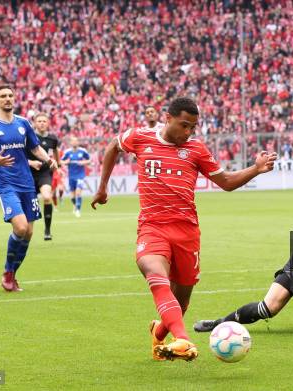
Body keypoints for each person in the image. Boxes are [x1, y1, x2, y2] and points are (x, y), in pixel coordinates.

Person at [91, 97, 277, 361]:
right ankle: (184, 340)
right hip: (152, 227)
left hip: (187, 232)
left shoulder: (196, 150)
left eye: (193, 127)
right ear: (168, 118)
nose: (188, 132)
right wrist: (102, 187)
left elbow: (225, 182)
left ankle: (159, 332)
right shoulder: (140, 137)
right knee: (155, 273)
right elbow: (112, 146)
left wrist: (256, 169)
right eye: (184, 125)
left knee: (182, 301)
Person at [0, 85, 56, 292]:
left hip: (27, 183)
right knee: (20, 227)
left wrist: (48, 160)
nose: (7, 99)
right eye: (3, 96)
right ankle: (8, 272)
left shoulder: (23, 123)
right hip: (6, 184)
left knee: (28, 233)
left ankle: (11, 274)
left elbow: (35, 148)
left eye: (10, 95)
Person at [26, 113, 61, 240]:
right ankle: (28, 231)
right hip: (28, 173)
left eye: (44, 121)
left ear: (48, 123)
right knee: (32, 203)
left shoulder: (52, 139)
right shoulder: (29, 137)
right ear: (34, 123)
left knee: (47, 197)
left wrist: (58, 164)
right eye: (39, 121)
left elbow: (56, 150)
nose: (41, 123)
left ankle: (47, 230)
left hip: (44, 173)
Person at [61, 137, 90, 218]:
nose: (74, 143)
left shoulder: (83, 151)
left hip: (80, 175)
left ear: (78, 142)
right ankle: (75, 206)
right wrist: (66, 162)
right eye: (73, 141)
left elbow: (89, 160)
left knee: (78, 192)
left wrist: (83, 162)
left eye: (76, 141)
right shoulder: (67, 152)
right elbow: (60, 161)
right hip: (71, 176)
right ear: (70, 143)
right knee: (72, 196)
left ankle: (78, 210)